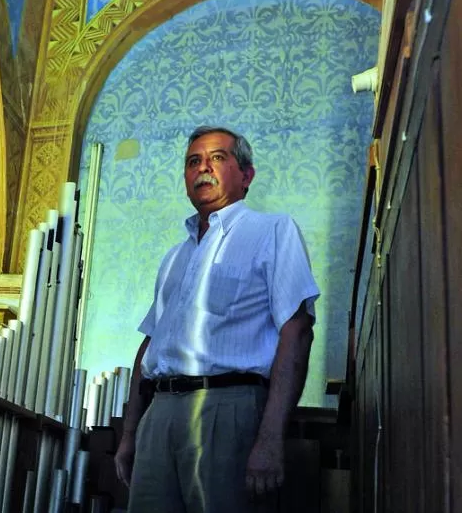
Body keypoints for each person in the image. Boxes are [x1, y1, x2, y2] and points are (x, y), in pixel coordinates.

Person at [114, 126, 319, 513]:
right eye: (193, 162)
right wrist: (130, 433)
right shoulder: (175, 257)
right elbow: (150, 345)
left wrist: (272, 437)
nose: (202, 168)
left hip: (230, 408)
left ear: (246, 176)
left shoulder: (273, 230)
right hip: (159, 413)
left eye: (217, 158)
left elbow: (297, 331)